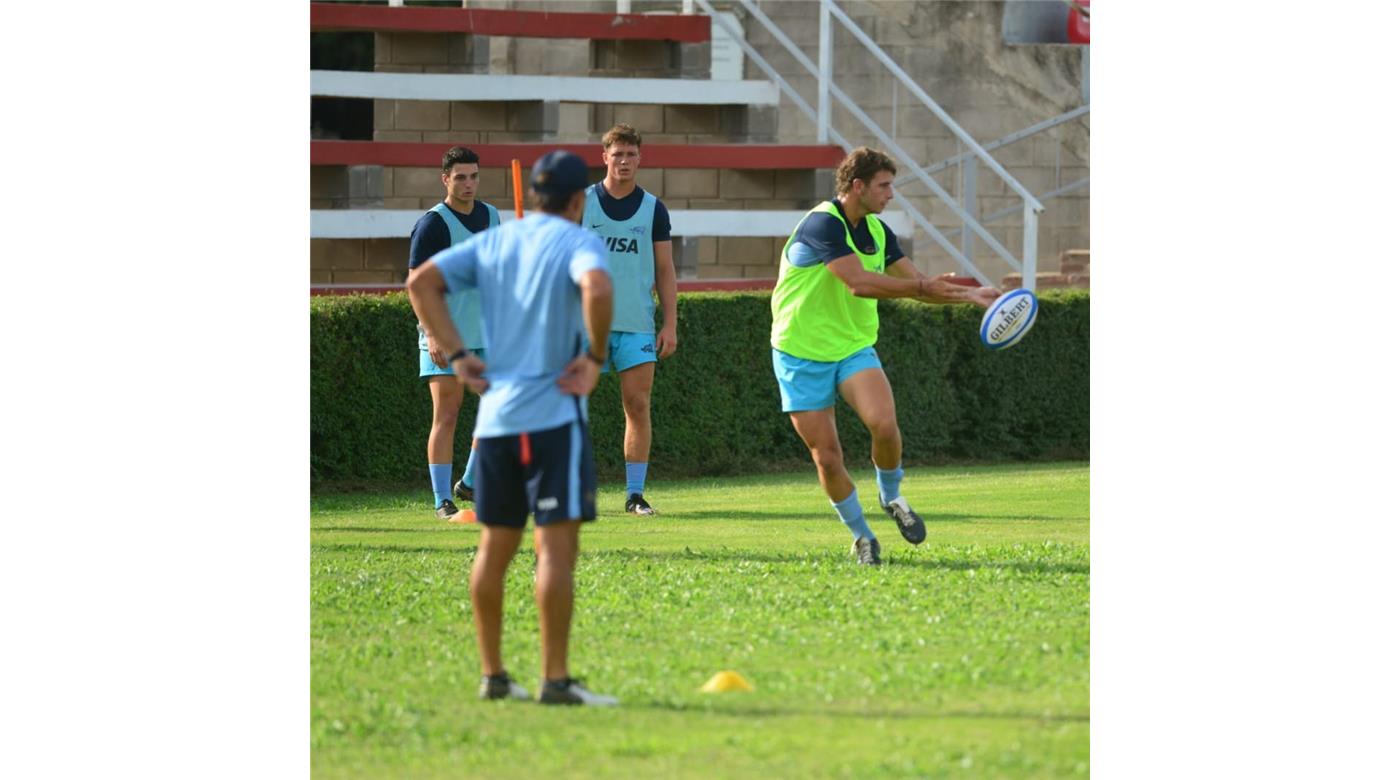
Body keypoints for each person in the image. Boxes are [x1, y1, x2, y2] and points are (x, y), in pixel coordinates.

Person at [406, 150, 619, 706]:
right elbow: (597, 290)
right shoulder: (577, 241)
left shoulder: (497, 239)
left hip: (497, 423)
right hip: (554, 420)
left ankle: (494, 675)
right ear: (577, 201)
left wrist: (456, 355)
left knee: (493, 551)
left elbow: (420, 283)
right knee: (554, 553)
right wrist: (594, 359)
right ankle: (554, 679)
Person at [769, 147, 1002, 566]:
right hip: (798, 352)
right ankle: (862, 536)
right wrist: (928, 288)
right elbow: (859, 283)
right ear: (857, 186)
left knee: (885, 424)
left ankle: (891, 495)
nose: (891, 194)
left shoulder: (878, 231)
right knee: (827, 455)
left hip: (852, 346)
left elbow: (919, 284)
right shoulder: (823, 224)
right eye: (885, 185)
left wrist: (973, 295)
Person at [582, 124, 678, 516]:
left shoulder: (654, 208)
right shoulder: (581, 202)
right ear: (604, 157)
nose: (624, 161)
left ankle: (634, 495)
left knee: (637, 405)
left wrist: (670, 323)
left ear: (640, 158)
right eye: (617, 154)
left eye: (631, 154)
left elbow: (665, 270)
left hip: (636, 323)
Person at [407, 146, 500, 521]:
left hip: (486, 334)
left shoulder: (492, 216)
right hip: (445, 334)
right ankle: (443, 500)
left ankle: (471, 482)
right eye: (460, 177)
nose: (468, 183)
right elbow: (415, 284)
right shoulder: (433, 224)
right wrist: (430, 333)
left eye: (473, 176)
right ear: (445, 179)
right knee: (447, 413)